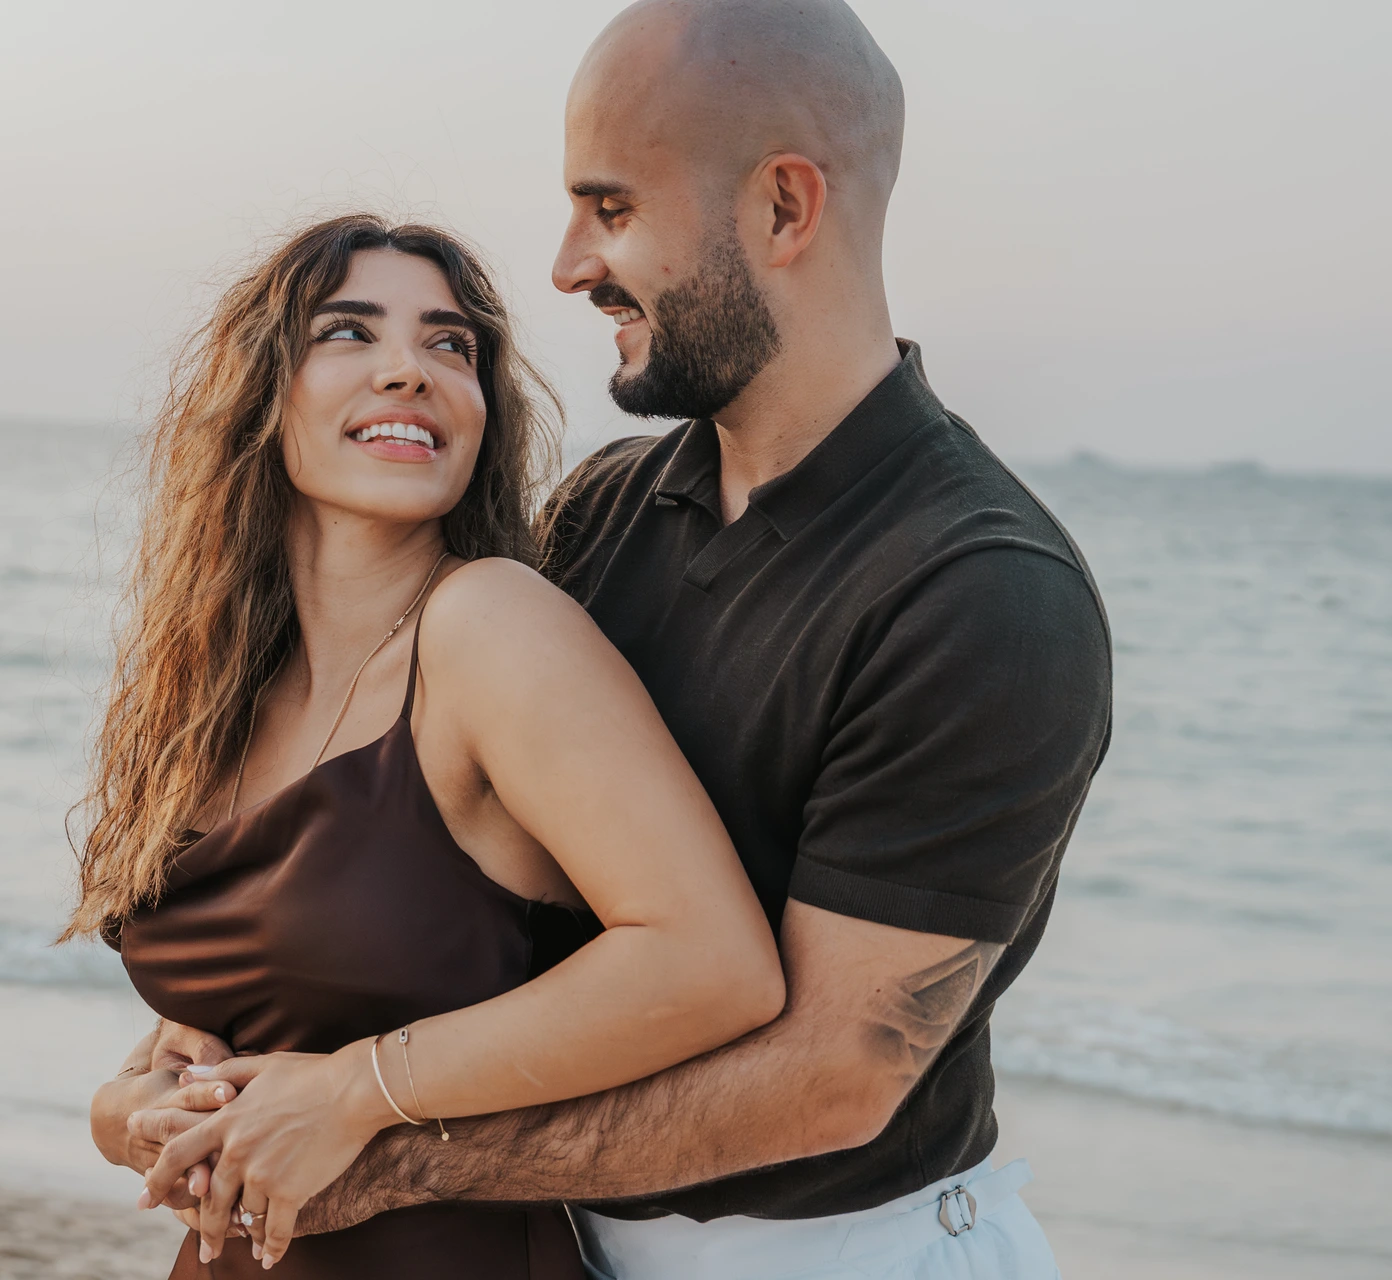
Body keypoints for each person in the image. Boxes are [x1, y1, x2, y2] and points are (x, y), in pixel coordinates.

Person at [103, 3, 1114, 1279]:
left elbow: (830, 1080)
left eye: (612, 208)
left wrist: (380, 1137)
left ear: (785, 210)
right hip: (573, 1238)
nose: (569, 266)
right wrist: (189, 1093)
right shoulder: (602, 515)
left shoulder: (982, 593)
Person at [65, 213, 790, 1278]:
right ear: (260, 393)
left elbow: (714, 963)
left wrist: (361, 1085)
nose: (411, 370)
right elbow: (215, 1037)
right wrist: (126, 1111)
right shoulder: (212, 690)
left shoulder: (490, 624)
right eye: (350, 333)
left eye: (452, 345)